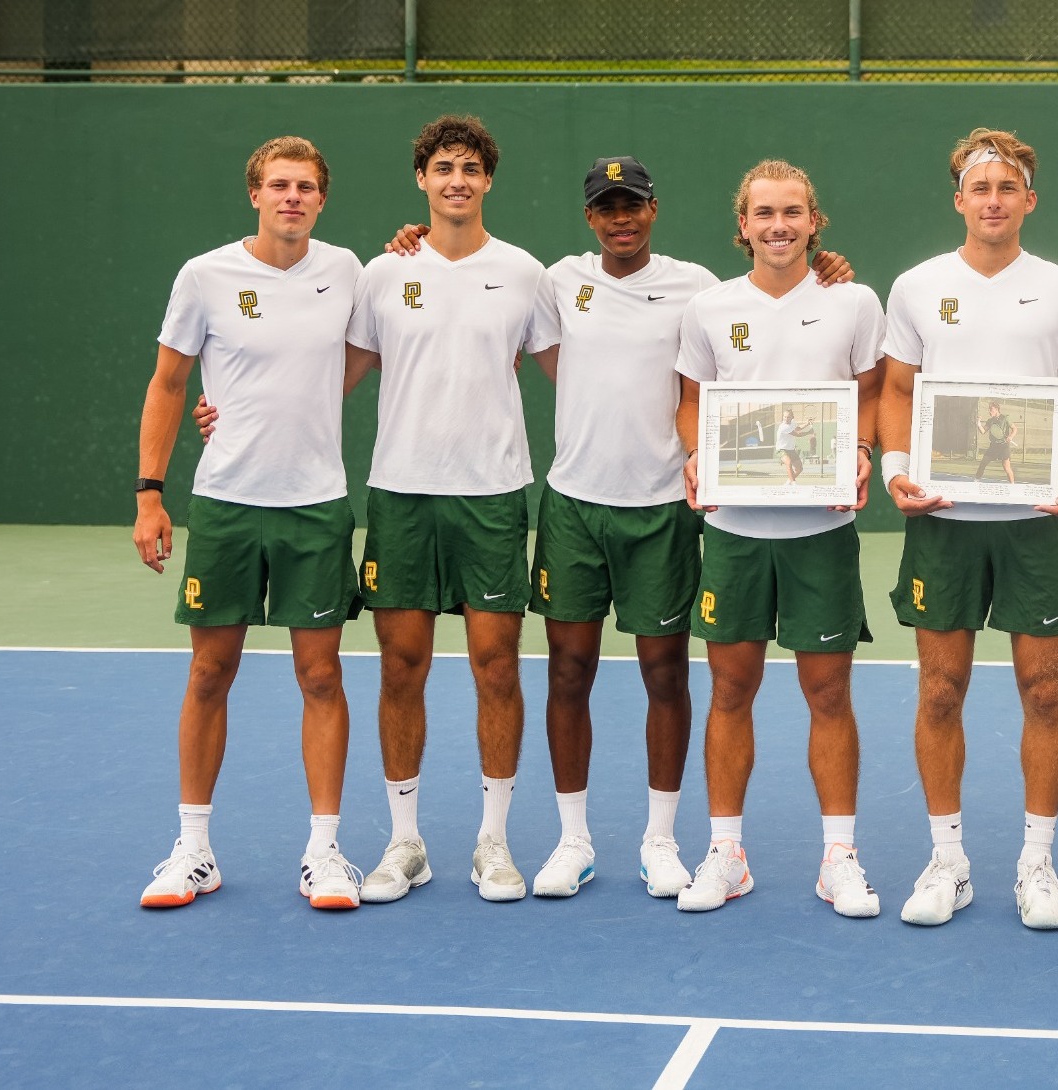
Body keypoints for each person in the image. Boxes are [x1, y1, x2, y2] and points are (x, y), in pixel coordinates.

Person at [365, 161, 857, 903]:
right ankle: (573, 839)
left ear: (654, 211)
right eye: (606, 208)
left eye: (633, 206)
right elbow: (459, 280)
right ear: (590, 217)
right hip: (572, 505)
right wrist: (412, 239)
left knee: (666, 675)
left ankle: (660, 840)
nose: (620, 218)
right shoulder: (553, 279)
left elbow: (772, 277)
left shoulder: (700, 289)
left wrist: (826, 263)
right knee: (568, 673)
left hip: (662, 509)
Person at [879, 127, 1058, 930]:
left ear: (1028, 201)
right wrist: (895, 468)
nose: (993, 201)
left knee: (1044, 690)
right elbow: (896, 391)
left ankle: (1037, 865)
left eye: (1006, 189)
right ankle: (948, 860)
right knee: (940, 689)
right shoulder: (915, 287)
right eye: (980, 189)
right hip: (943, 523)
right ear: (959, 200)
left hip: (1037, 523)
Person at [133, 136, 368, 911]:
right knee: (209, 673)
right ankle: (193, 850)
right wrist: (149, 495)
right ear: (255, 196)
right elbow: (170, 383)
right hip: (228, 504)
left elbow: (364, 352)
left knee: (321, 675)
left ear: (322, 199)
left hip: (316, 505)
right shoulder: (205, 276)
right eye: (278, 185)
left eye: (305, 186)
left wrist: (294, 402)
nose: (292, 197)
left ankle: (325, 853)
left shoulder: (347, 272)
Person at [349, 115, 558, 903]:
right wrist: (235, 411)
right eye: (443, 167)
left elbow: (576, 373)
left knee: (495, 666)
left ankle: (493, 842)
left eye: (471, 167)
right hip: (401, 496)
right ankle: (406, 843)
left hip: (493, 496)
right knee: (401, 667)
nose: (457, 180)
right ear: (422, 179)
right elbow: (331, 373)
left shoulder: (526, 274)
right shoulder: (381, 273)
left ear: (489, 181)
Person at [672, 159, 886, 918]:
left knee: (828, 691)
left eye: (793, 212)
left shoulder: (855, 301)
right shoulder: (708, 308)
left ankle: (840, 859)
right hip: (734, 531)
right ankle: (726, 854)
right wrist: (698, 454)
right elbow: (692, 403)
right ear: (743, 226)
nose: (779, 226)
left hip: (822, 532)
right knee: (731, 689)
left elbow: (874, 396)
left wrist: (861, 452)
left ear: (815, 220)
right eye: (764, 213)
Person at [973, 401, 1018, 483]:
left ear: (996, 409)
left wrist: (1010, 436)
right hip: (993, 447)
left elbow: (1014, 429)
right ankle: (976, 481)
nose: (989, 411)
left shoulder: (1005, 418)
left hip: (1004, 446)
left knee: (1006, 468)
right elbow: (983, 431)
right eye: (989, 409)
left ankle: (1012, 485)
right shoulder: (990, 421)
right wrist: (978, 424)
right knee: (983, 463)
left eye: (991, 409)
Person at [776, 409, 812, 483]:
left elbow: (798, 428)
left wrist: (807, 424)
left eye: (788, 417)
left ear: (792, 417)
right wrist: (809, 432)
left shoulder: (792, 423)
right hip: (781, 449)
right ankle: (794, 483)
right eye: (784, 417)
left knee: (799, 469)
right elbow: (798, 434)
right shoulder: (783, 427)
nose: (786, 419)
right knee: (788, 463)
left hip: (791, 450)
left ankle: (789, 481)